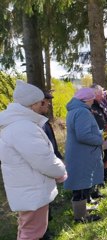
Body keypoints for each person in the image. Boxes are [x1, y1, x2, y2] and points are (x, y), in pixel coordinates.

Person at [0, 80, 67, 239]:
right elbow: (44, 160)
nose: (46, 105)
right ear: (32, 104)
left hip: (29, 189)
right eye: (42, 102)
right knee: (31, 233)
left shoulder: (20, 124)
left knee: (28, 230)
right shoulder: (23, 127)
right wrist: (61, 170)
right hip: (32, 191)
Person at [63, 87, 103, 223]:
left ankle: (82, 211)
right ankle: (80, 218)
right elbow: (83, 135)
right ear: (87, 99)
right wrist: (100, 139)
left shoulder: (74, 110)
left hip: (79, 154)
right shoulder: (82, 112)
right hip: (81, 155)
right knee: (80, 187)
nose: (93, 102)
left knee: (80, 185)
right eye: (92, 99)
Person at [39, 91, 64, 239]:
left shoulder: (43, 121)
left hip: (50, 165)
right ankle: (42, 233)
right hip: (42, 169)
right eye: (46, 101)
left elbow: (52, 144)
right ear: (38, 102)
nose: (49, 104)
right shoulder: (37, 124)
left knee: (47, 201)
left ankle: (45, 230)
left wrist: (59, 157)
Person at [89, 84, 106, 200]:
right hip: (93, 141)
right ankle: (89, 193)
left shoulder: (98, 106)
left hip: (99, 139)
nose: (102, 95)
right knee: (92, 166)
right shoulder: (90, 107)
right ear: (94, 94)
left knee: (98, 165)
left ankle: (95, 190)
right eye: (100, 93)